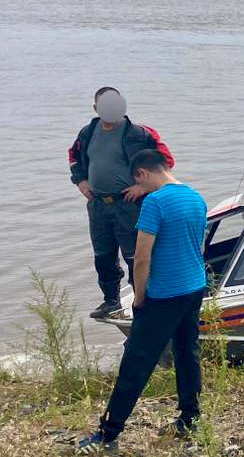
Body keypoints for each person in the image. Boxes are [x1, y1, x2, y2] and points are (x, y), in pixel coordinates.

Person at [76, 150, 208, 455]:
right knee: (187, 353)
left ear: (142, 175)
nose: (140, 191)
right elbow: (194, 245)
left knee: (136, 362)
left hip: (165, 294)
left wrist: (139, 296)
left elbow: (142, 256)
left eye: (139, 184)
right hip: (194, 288)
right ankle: (190, 418)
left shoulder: (155, 202)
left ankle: (108, 434)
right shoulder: (195, 198)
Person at [68, 87, 176, 318]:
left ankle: (143, 302)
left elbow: (165, 161)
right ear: (96, 108)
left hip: (129, 205)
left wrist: (142, 187)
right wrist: (81, 181)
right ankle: (111, 302)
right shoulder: (87, 133)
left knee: (135, 255)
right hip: (98, 205)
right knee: (103, 255)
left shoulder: (140, 134)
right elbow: (74, 159)